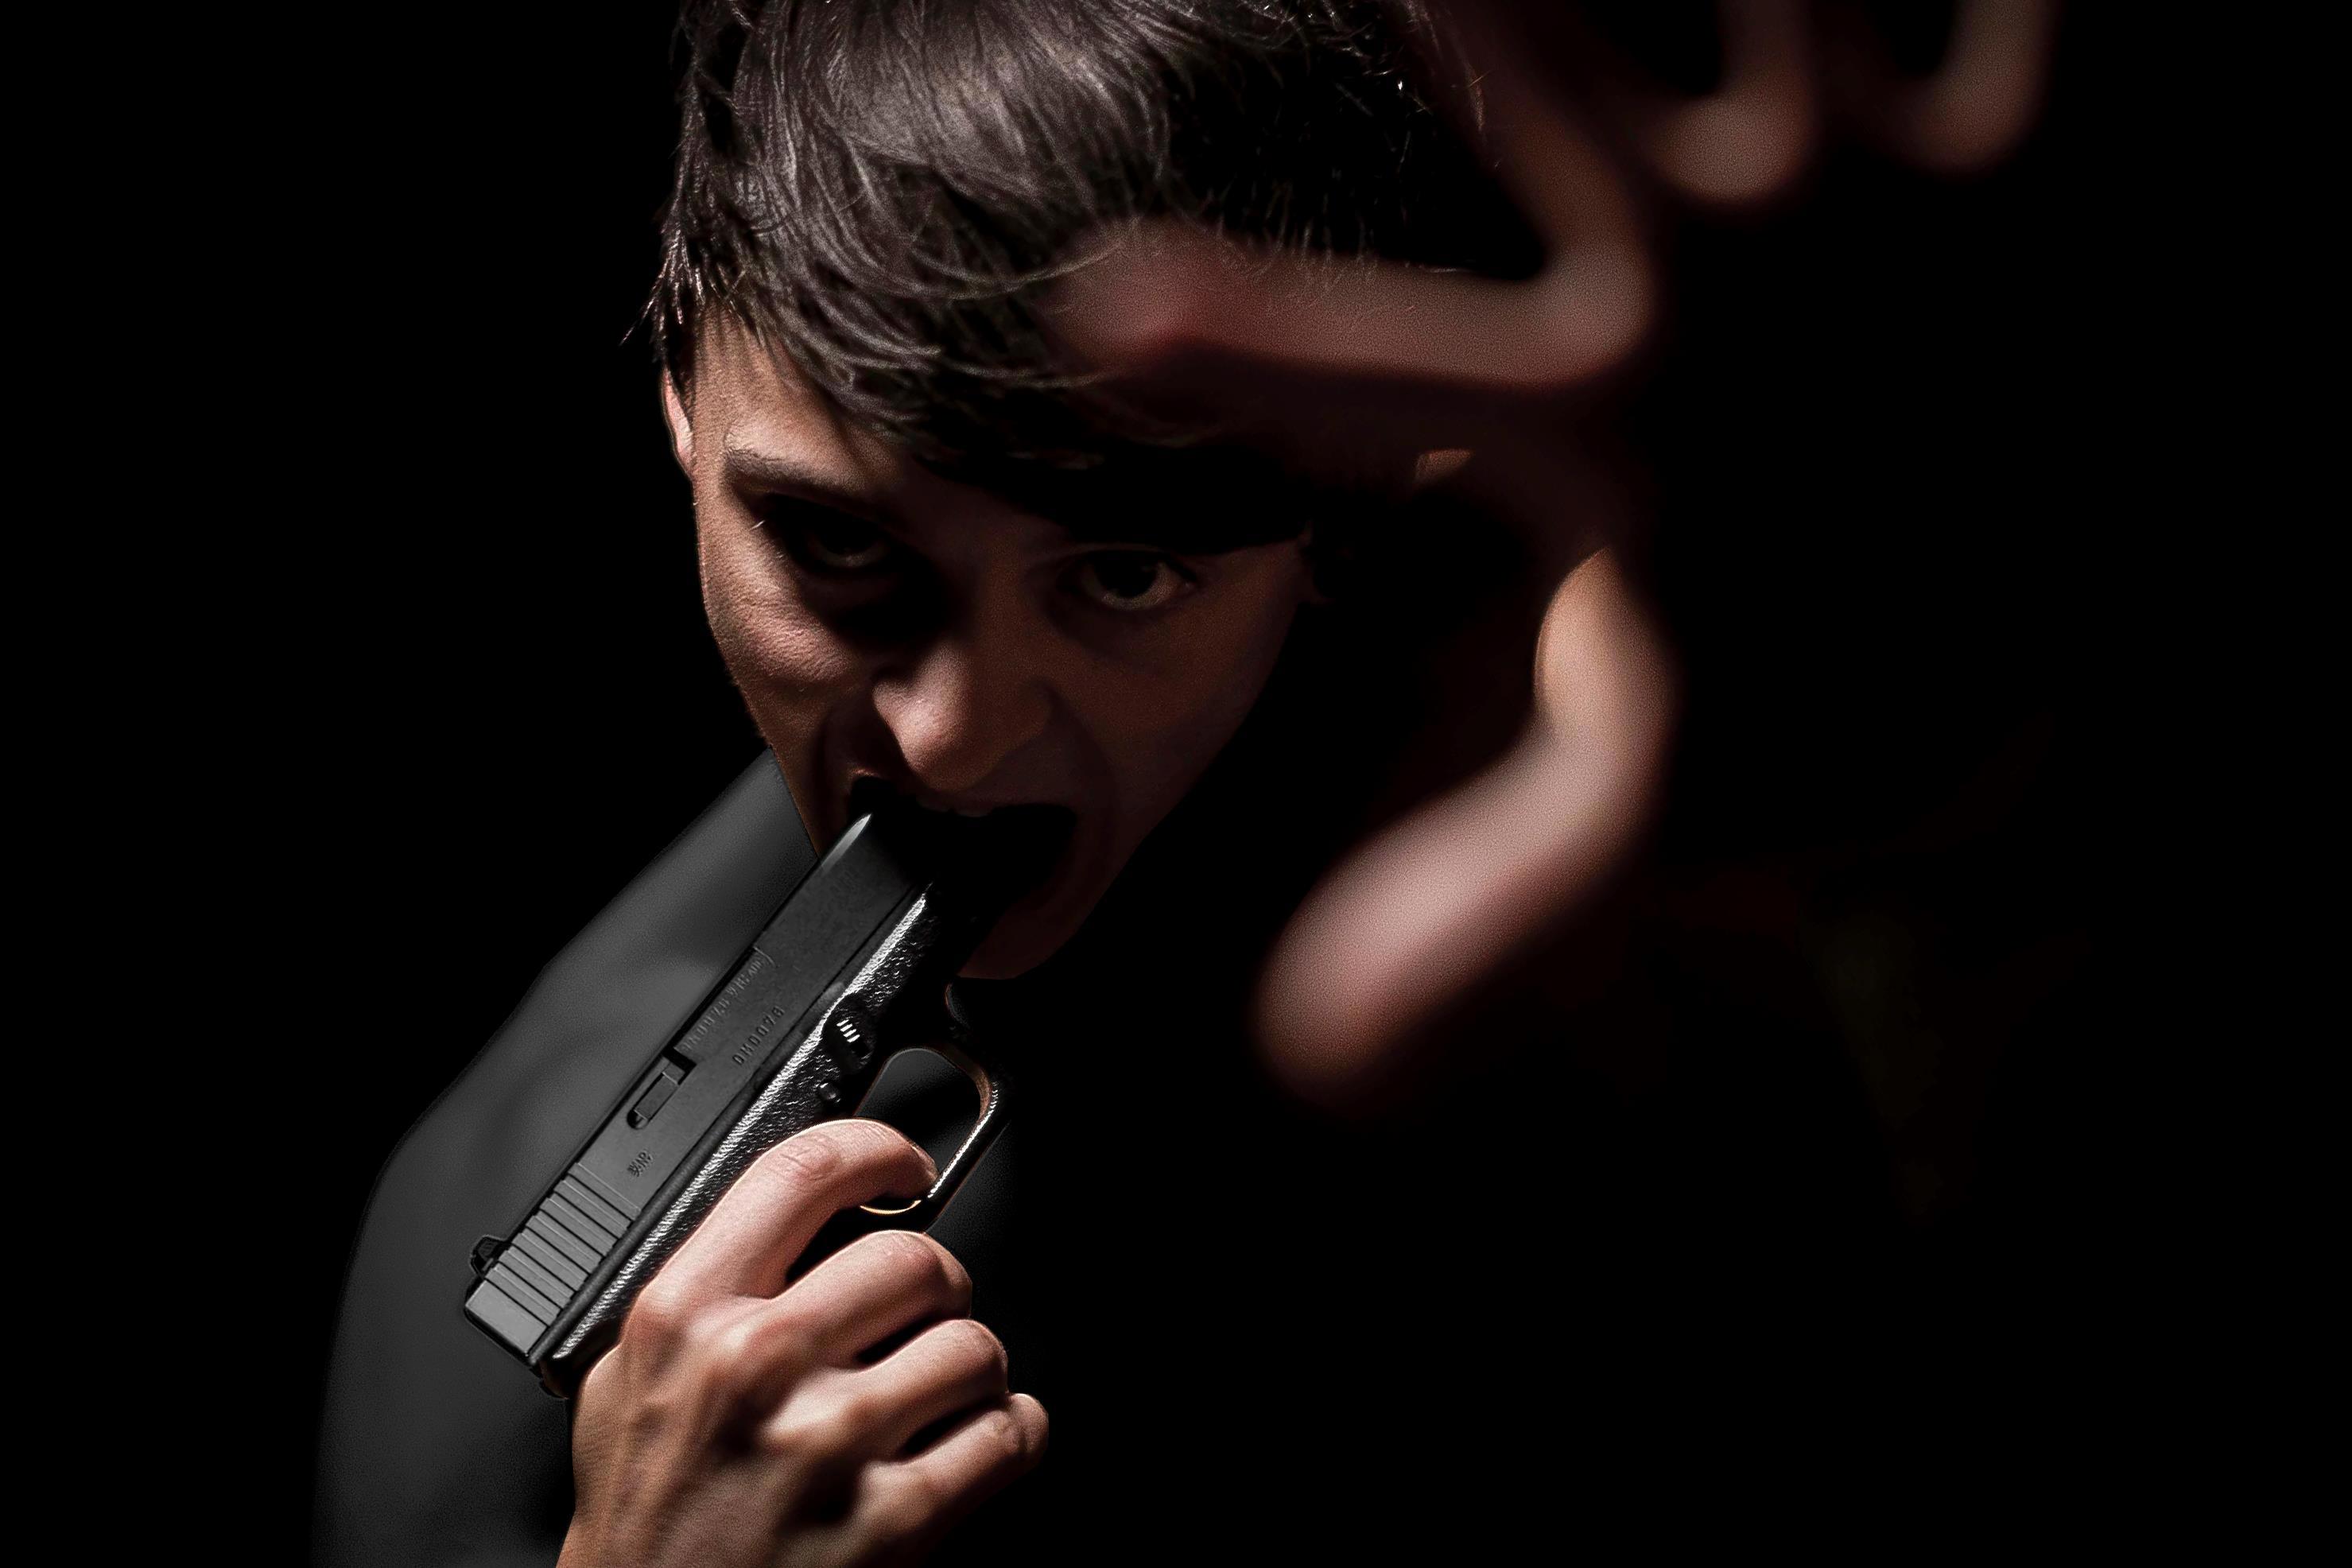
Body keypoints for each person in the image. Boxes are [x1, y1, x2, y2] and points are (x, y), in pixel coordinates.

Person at [319, 2, 1618, 1563]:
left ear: (1361, 494)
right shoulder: (508, 1298)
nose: (951, 740)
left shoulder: (1537, 637)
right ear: (678, 392)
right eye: (837, 544)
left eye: (1122, 573)